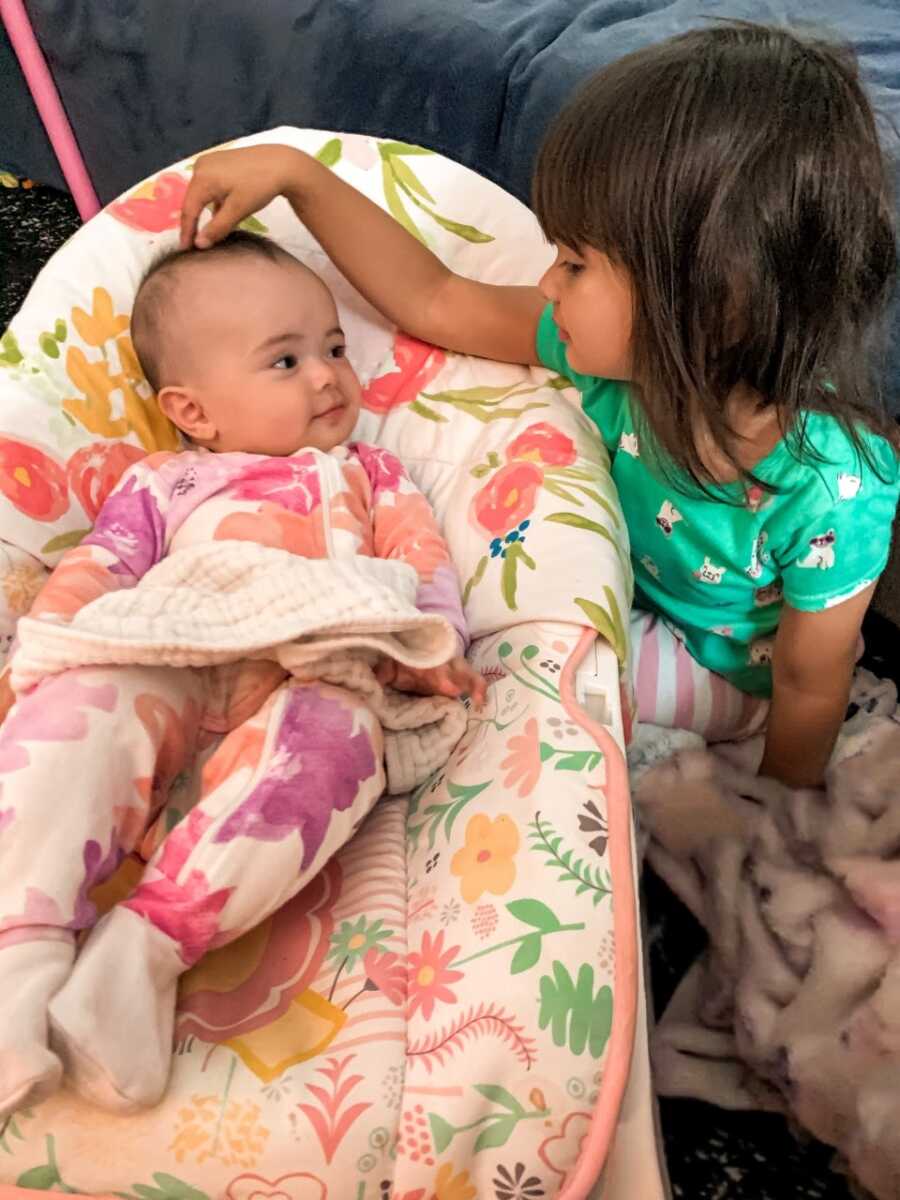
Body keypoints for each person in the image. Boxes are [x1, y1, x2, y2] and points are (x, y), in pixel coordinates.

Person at [180, 21, 899, 789]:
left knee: (518, 689)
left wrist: (776, 815)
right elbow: (438, 297)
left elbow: (806, 686)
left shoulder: (834, 488)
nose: (549, 284)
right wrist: (302, 175)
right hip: (625, 593)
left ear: (711, 305)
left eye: (575, 264)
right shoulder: (628, 361)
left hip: (720, 674)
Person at [0, 231, 484, 1119]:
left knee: (338, 749)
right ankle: (18, 960)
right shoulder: (168, 480)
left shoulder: (369, 472)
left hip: (312, 661)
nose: (329, 375)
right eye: (286, 360)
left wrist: (437, 642)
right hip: (174, 643)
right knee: (77, 712)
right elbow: (103, 565)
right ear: (195, 410)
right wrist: (47, 646)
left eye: (335, 347)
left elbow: (420, 561)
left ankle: (136, 958)